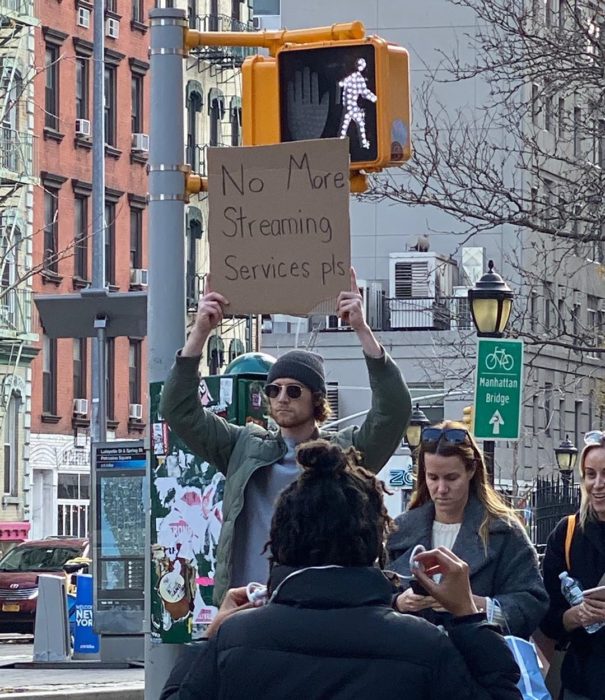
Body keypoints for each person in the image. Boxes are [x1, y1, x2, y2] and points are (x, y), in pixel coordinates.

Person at [161, 440, 521, 700]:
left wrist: (209, 638)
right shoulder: (423, 646)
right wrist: (468, 616)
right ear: (374, 542)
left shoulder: (236, 640)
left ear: (282, 539)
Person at [159, 269, 411, 604]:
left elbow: (392, 413)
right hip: (245, 604)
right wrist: (201, 331)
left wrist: (361, 330)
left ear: (317, 400)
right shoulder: (243, 446)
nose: (281, 398)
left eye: (294, 391)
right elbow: (179, 410)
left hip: (319, 608)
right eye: (273, 389)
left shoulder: (345, 455)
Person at [387, 421, 548, 638]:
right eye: (433, 478)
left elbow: (532, 604)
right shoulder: (399, 531)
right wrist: (399, 602)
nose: (441, 489)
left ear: (471, 470)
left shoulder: (504, 532)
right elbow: (373, 599)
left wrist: (475, 605)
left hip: (479, 662)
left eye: (451, 478)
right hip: (414, 662)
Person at [540, 430, 605, 700]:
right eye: (591, 474)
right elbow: (545, 614)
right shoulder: (566, 533)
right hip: (582, 683)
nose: (598, 484)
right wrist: (573, 617)